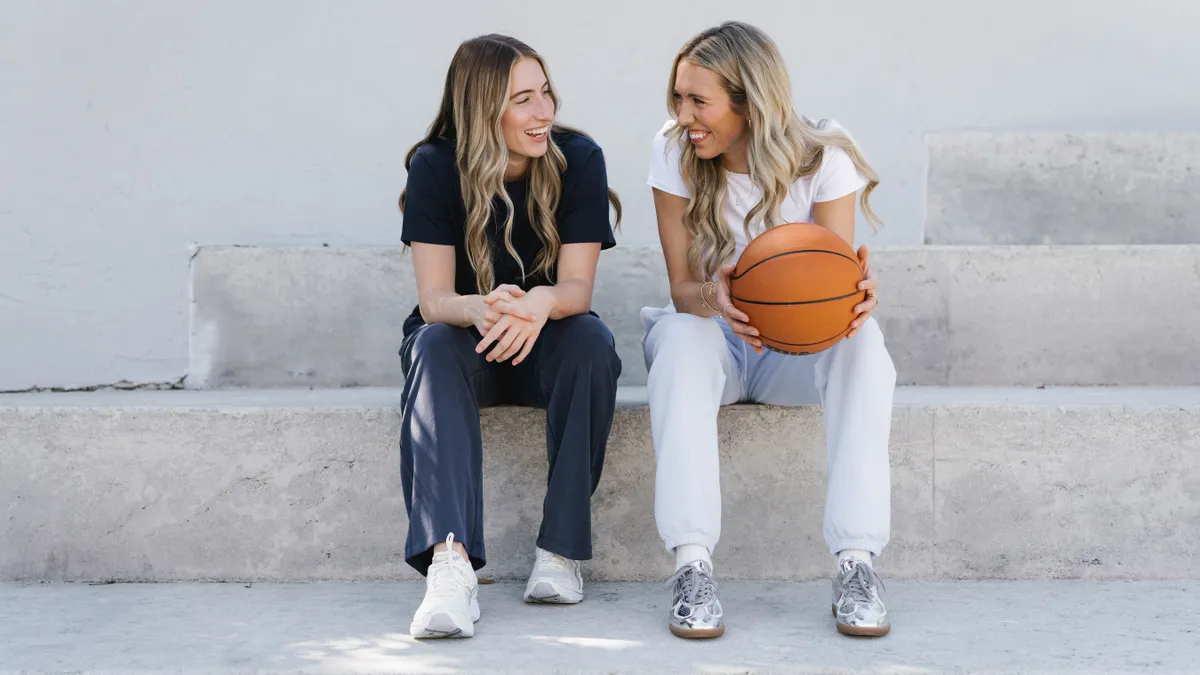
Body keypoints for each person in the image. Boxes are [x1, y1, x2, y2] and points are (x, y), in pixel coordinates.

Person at [642, 21, 896, 639]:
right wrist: (712, 293)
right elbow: (680, 288)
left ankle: (857, 563)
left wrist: (852, 300)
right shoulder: (674, 150)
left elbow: (831, 282)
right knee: (679, 335)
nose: (684, 115)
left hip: (792, 353)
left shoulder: (825, 156)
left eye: (698, 101)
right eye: (678, 97)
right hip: (715, 340)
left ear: (749, 101)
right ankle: (692, 565)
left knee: (865, 341)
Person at [397, 34, 622, 639]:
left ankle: (560, 552)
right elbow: (434, 300)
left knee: (591, 342)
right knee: (431, 343)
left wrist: (540, 302)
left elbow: (577, 289)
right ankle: (450, 566)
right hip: (468, 341)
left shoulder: (578, 158)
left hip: (546, 341)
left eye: (544, 92)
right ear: (481, 108)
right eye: (523, 99)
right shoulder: (436, 165)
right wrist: (480, 307)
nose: (544, 111)